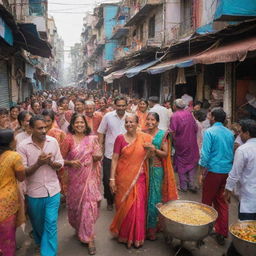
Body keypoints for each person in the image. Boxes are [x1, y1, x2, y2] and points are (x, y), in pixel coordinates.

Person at [17, 115, 64, 256]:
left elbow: (60, 163)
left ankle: (48, 253)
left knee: (50, 223)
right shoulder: (23, 146)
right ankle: (38, 242)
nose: (44, 131)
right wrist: (38, 163)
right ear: (31, 128)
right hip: (34, 192)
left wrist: (50, 163)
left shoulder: (53, 142)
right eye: (40, 128)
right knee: (38, 224)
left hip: (53, 190)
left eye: (45, 127)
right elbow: (24, 173)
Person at [61, 113, 102, 255]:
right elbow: (60, 159)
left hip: (89, 178)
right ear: (72, 125)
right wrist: (70, 162)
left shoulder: (92, 139)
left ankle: (89, 238)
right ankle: (79, 227)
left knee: (89, 206)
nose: (79, 125)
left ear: (86, 124)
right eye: (76, 123)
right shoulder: (68, 139)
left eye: (82, 123)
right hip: (74, 179)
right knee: (76, 208)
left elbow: (98, 154)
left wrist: (97, 157)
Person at [109, 114, 152, 248]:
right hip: (122, 178)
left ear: (137, 123)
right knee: (123, 206)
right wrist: (112, 179)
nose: (129, 124)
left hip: (140, 178)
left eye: (131, 122)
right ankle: (124, 235)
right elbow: (115, 159)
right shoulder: (120, 139)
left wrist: (151, 150)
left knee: (137, 207)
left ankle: (136, 237)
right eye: (126, 122)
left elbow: (150, 157)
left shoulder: (145, 138)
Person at [198, 108, 234, 246]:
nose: (208, 116)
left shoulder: (210, 132)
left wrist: (201, 172)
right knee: (222, 202)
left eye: (209, 115)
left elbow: (205, 154)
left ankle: (200, 233)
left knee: (206, 202)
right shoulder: (230, 133)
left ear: (213, 117)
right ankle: (222, 232)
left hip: (213, 171)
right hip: (226, 171)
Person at [223, 119, 256, 256]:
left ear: (247, 133)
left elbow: (234, 174)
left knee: (245, 231)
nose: (239, 135)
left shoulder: (243, 150)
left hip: (249, 198)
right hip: (249, 196)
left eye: (241, 132)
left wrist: (227, 192)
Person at [144, 112, 178, 240]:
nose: (150, 122)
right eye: (148, 119)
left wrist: (154, 149)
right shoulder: (142, 132)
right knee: (144, 196)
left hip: (157, 170)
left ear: (157, 122)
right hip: (143, 168)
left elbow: (165, 153)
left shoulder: (163, 134)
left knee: (154, 197)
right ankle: (143, 226)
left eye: (153, 120)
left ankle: (153, 228)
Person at [98, 96, 128, 210]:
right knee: (107, 179)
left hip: (126, 155)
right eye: (119, 105)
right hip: (109, 154)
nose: (121, 107)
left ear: (126, 105)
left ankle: (120, 200)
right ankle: (109, 200)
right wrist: (99, 149)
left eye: (123, 105)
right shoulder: (108, 116)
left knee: (122, 179)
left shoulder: (130, 117)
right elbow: (101, 132)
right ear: (115, 105)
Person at [0, 129, 25, 256]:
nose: (16, 140)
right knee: (7, 236)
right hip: (7, 202)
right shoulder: (14, 156)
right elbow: (21, 177)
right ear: (9, 142)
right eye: (14, 138)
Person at [170, 99, 199, 192]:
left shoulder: (174, 116)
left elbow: (172, 131)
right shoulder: (189, 114)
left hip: (181, 142)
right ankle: (191, 183)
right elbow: (196, 128)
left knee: (181, 162)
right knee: (191, 162)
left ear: (175, 106)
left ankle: (183, 186)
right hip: (191, 141)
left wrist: (173, 141)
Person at [42, 110, 67, 197]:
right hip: (43, 164)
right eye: (44, 121)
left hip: (57, 163)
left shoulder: (59, 132)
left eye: (48, 121)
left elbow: (65, 148)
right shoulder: (38, 133)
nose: (46, 123)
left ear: (52, 121)